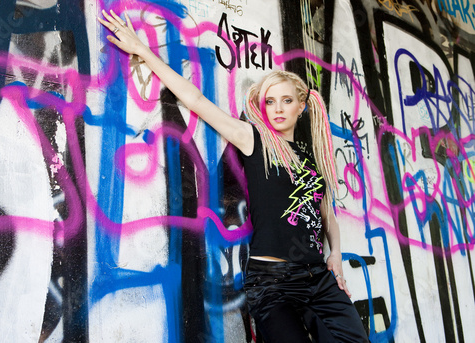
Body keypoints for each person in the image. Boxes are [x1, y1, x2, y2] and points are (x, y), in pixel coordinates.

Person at [98, 9, 369, 343]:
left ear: (301, 105)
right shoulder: (253, 139)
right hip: (272, 283)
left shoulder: (313, 155)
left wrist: (335, 253)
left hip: (319, 279)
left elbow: (326, 213)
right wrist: (143, 50)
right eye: (271, 102)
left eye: (287, 101)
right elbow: (196, 99)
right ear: (262, 107)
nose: (279, 108)